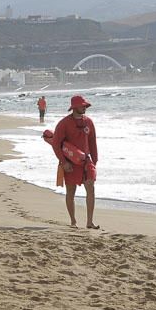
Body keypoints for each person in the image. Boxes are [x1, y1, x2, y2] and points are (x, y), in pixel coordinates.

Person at [52, 95, 99, 229]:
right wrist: (63, 162)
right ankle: (73, 221)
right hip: (70, 162)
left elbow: (92, 142)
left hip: (86, 161)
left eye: (85, 105)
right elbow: (56, 144)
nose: (84, 107)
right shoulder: (64, 123)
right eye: (82, 105)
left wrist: (94, 161)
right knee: (71, 192)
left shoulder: (89, 122)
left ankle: (89, 222)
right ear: (74, 107)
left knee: (90, 186)